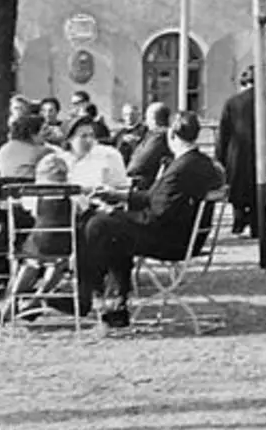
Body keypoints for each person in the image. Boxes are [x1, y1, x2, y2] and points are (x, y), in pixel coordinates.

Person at [70, 111, 227, 329]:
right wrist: (120, 196)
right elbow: (159, 199)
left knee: (99, 225)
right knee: (109, 229)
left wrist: (117, 213)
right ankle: (115, 303)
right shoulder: (200, 163)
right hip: (183, 233)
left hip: (172, 241)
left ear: (171, 135)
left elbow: (157, 214)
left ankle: (87, 295)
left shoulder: (180, 169)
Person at [0, 152, 79, 325]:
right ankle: (39, 297)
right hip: (65, 244)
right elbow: (82, 210)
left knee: (30, 263)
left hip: (39, 243)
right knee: (59, 264)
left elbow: (28, 211)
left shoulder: (33, 196)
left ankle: (12, 300)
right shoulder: (74, 195)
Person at [214, 66, 266, 238]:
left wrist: (219, 157)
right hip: (262, 154)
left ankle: (238, 223)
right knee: (258, 189)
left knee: (237, 190)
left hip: (237, 154)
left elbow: (224, 133)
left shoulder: (232, 103)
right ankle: (257, 226)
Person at [60, 114, 130, 191]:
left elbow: (121, 188)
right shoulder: (61, 160)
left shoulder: (109, 155)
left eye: (92, 135)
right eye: (83, 136)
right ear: (69, 139)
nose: (89, 140)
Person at [125, 103, 173, 190]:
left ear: (154, 120)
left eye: (147, 118)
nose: (146, 122)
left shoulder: (159, 136)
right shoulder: (163, 135)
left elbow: (138, 165)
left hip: (148, 187)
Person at [0, 114, 51, 179]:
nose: (49, 132)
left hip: (8, 188)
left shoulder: (3, 150)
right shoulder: (44, 152)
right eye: (44, 129)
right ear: (32, 133)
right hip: (33, 187)